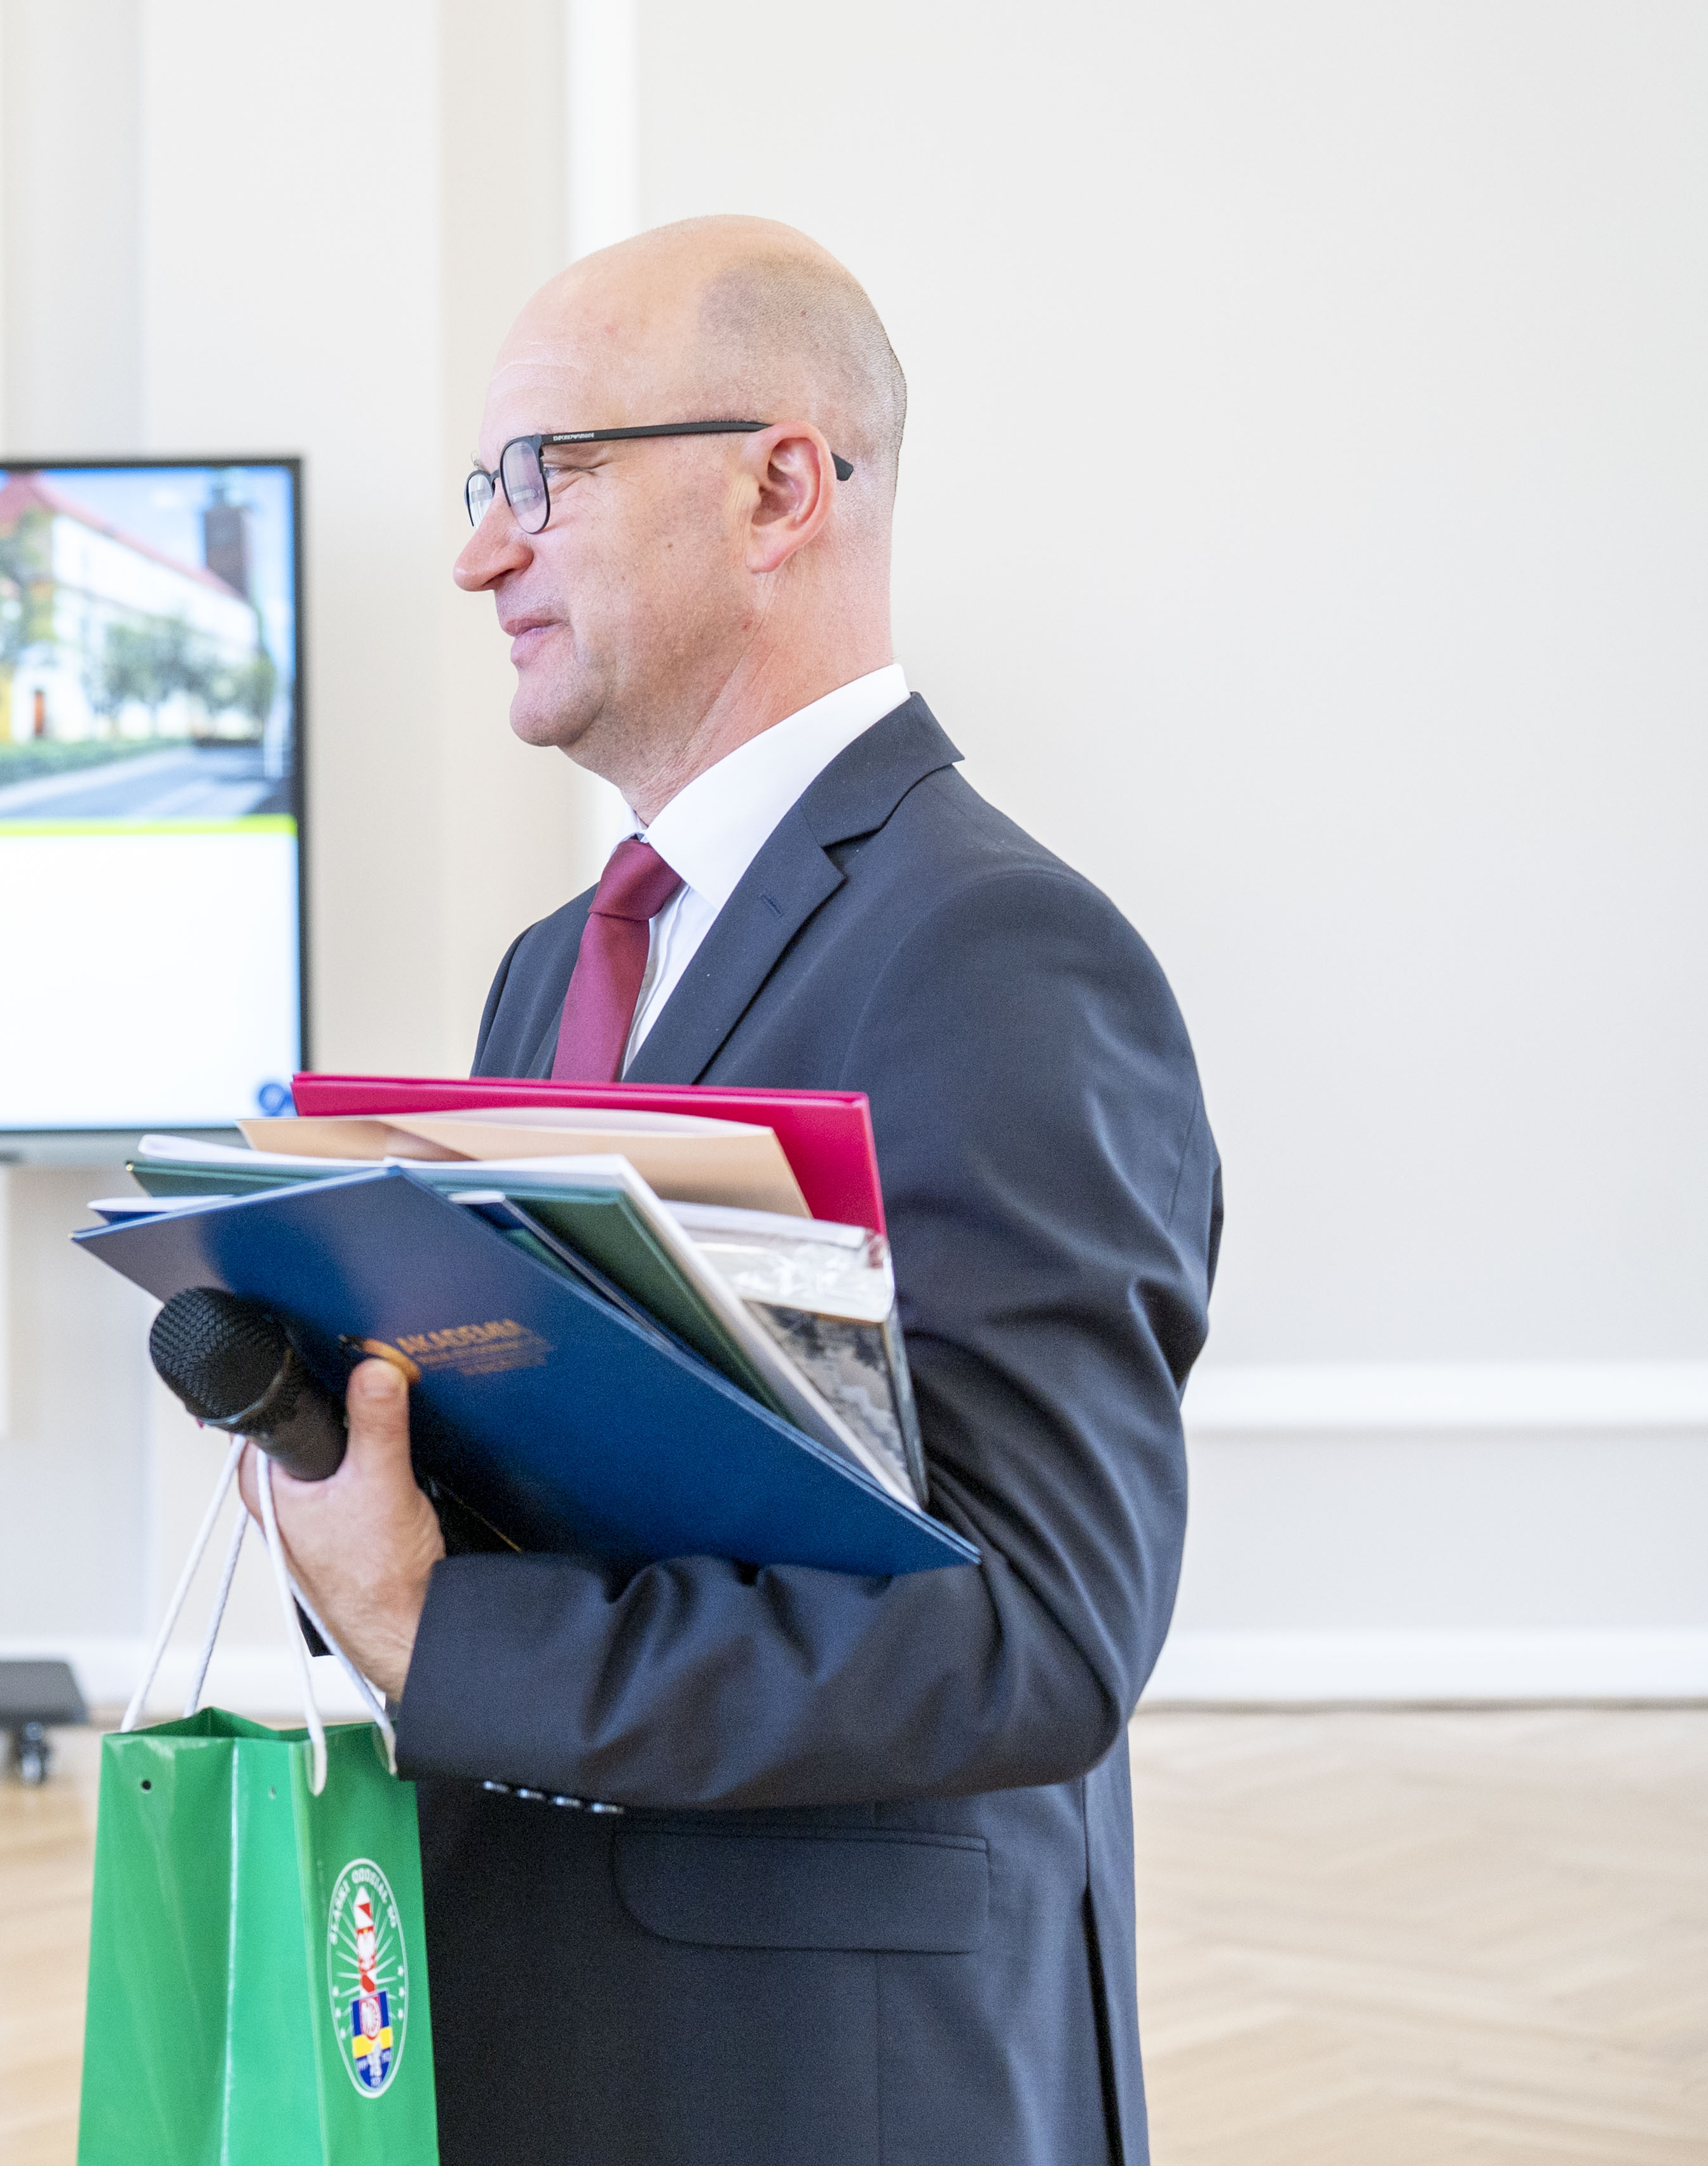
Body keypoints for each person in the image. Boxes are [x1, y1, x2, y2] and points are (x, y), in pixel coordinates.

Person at [252, 221, 1219, 2162]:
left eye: (545, 475)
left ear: (780, 488)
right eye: (478, 487)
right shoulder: (556, 967)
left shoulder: (1001, 958)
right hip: (553, 2024)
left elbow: (1040, 1635)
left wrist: (438, 1634)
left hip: (832, 2081)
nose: (480, 553)